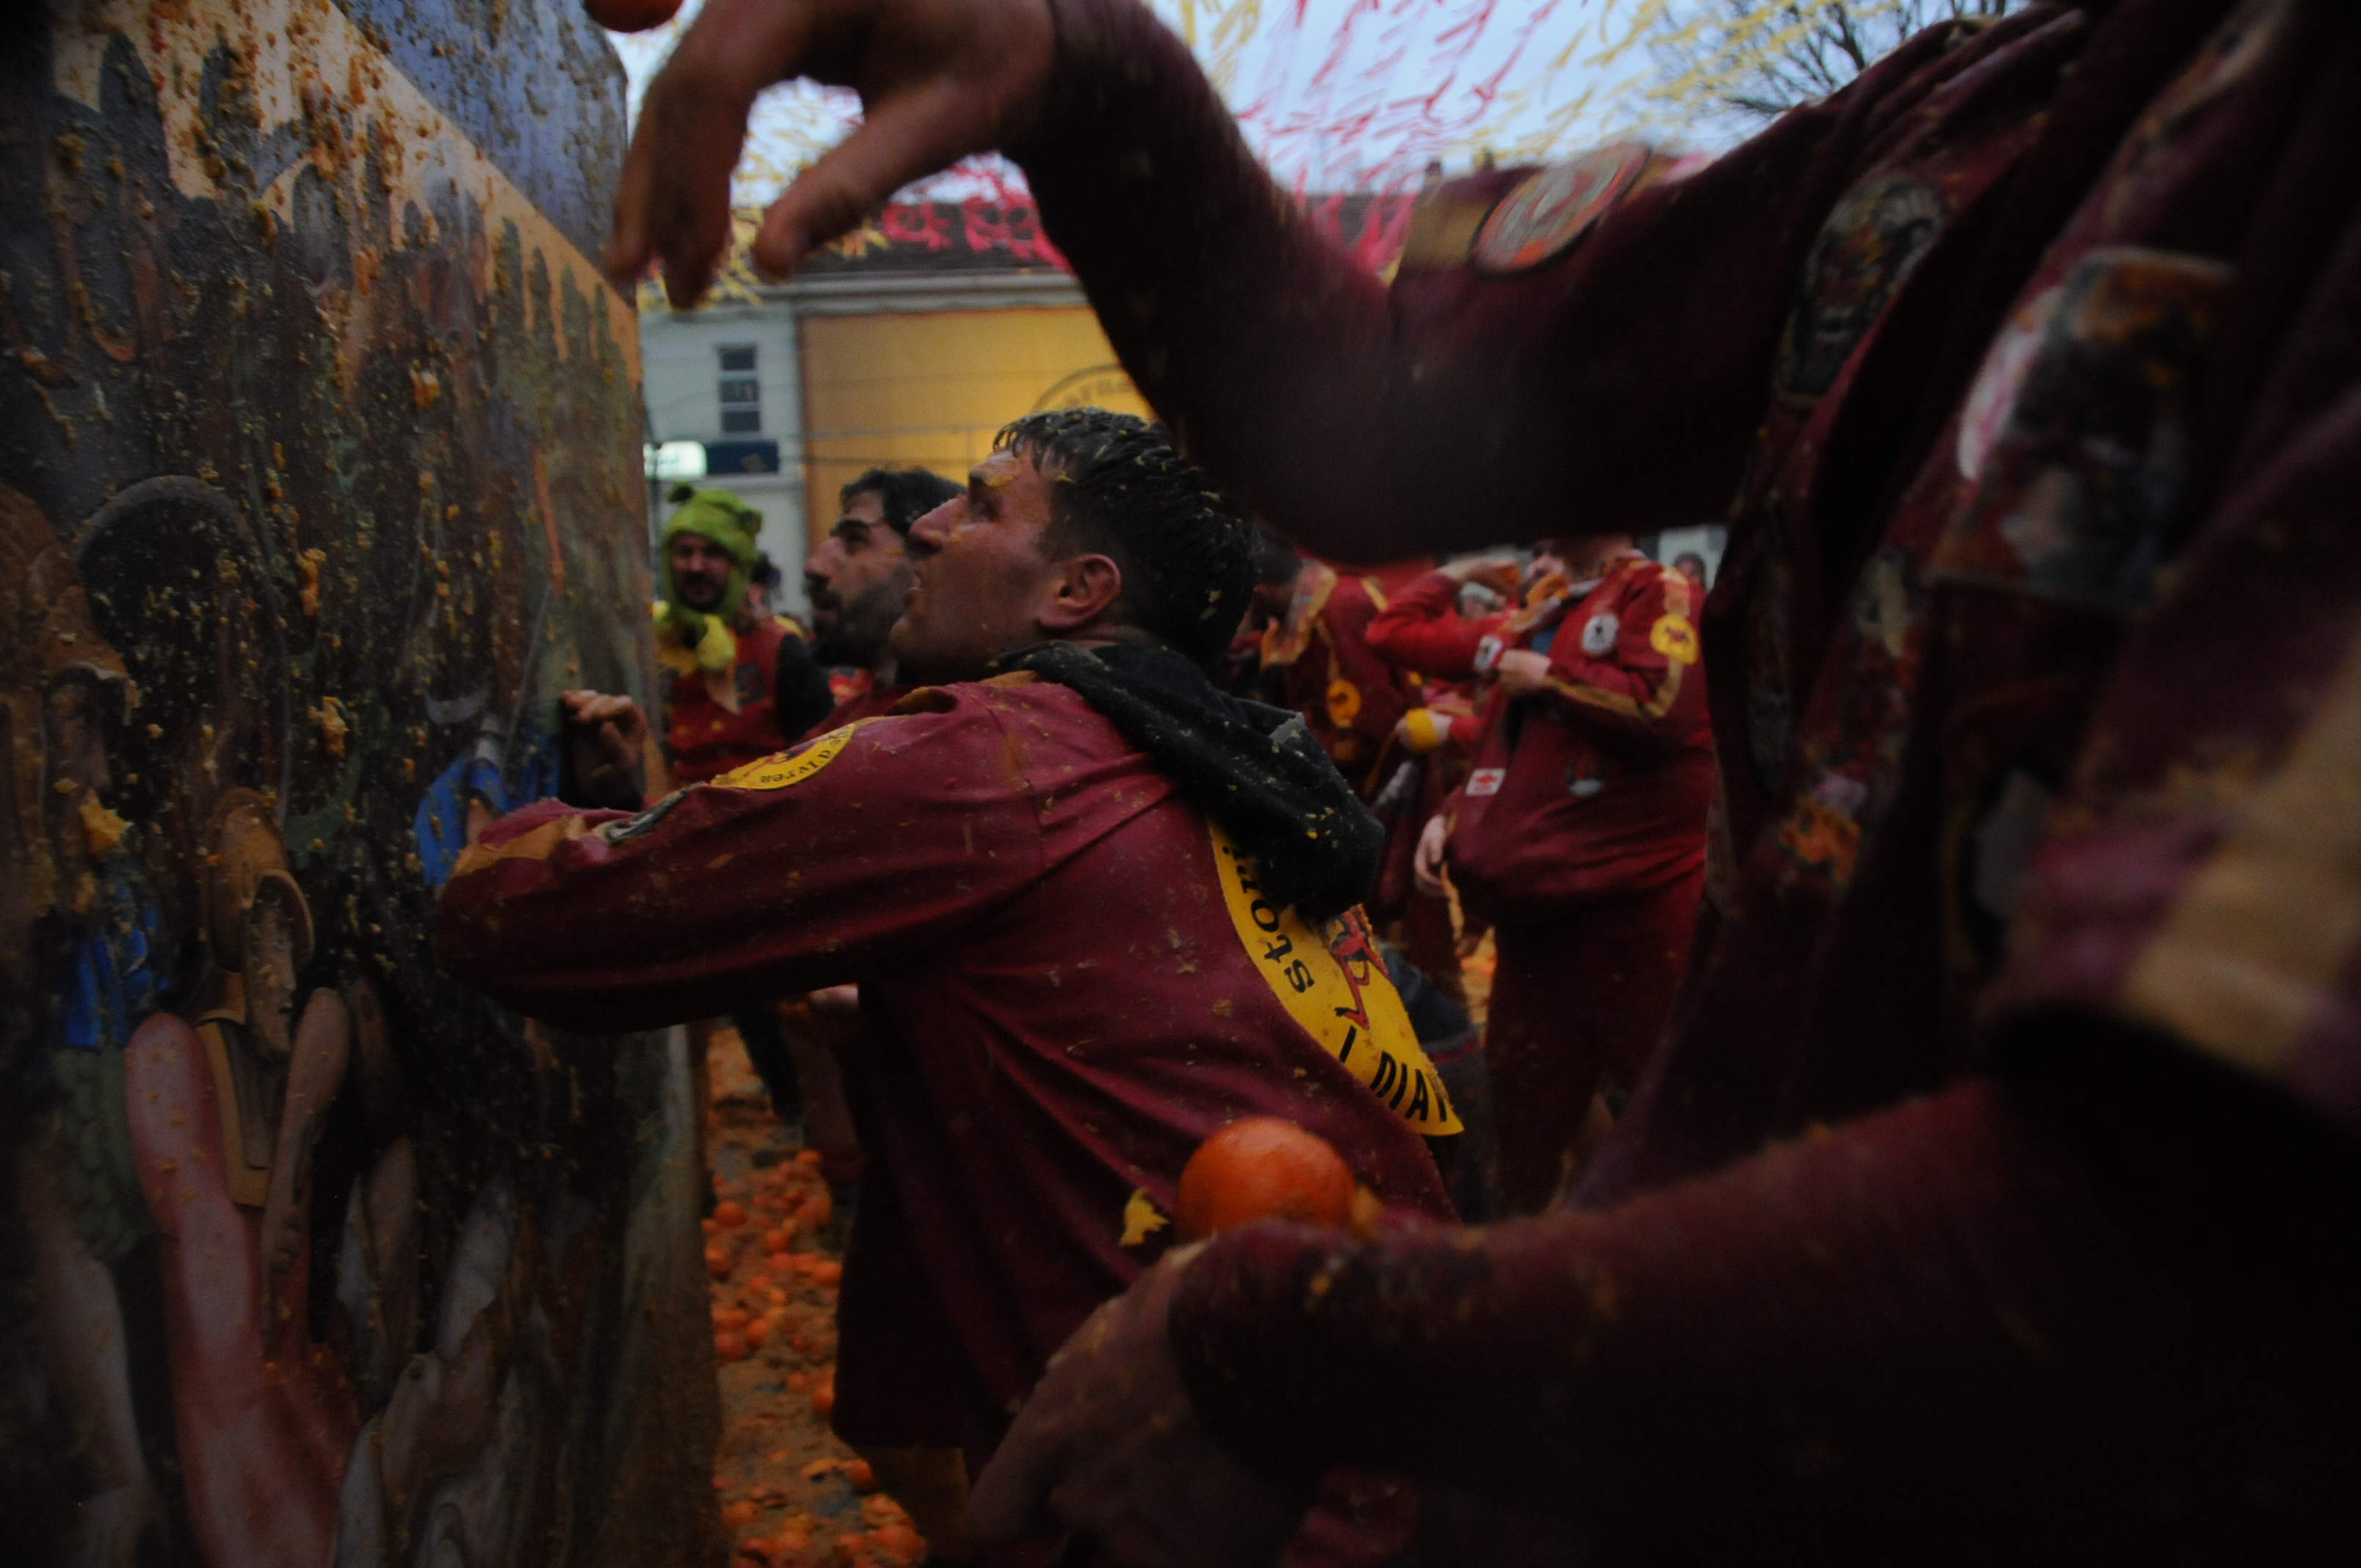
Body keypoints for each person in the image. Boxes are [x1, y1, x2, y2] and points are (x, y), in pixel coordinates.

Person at [614, 0, 2361, 1560]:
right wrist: (1079, 75)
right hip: (1647, 1368)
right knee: (1523, 1143)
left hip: (1941, 1429)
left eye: (976, 510)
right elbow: (1383, 414)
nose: (924, 533)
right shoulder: (1987, 113)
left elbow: (2197, 1249)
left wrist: (1309, 1349)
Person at [437, 410, 1460, 1564]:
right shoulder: (1219, 753)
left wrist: (490, 834)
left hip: (1238, 1509)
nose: (928, 528)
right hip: (1398, 1445)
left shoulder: (1000, 754)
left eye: (979, 504)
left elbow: (522, 921)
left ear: (1077, 590)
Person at [1388, 533, 1714, 1214]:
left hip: (1634, 919)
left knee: (1678, 1134)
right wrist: (1455, 814)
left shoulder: (1658, 591)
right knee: (1520, 1138)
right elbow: (1506, 743)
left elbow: (1664, 711)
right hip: (1533, 927)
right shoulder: (1541, 613)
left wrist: (1550, 679)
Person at [803, 465, 961, 726]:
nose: (814, 567)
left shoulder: (958, 721)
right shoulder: (852, 719)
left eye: (855, 539)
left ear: (927, 563)